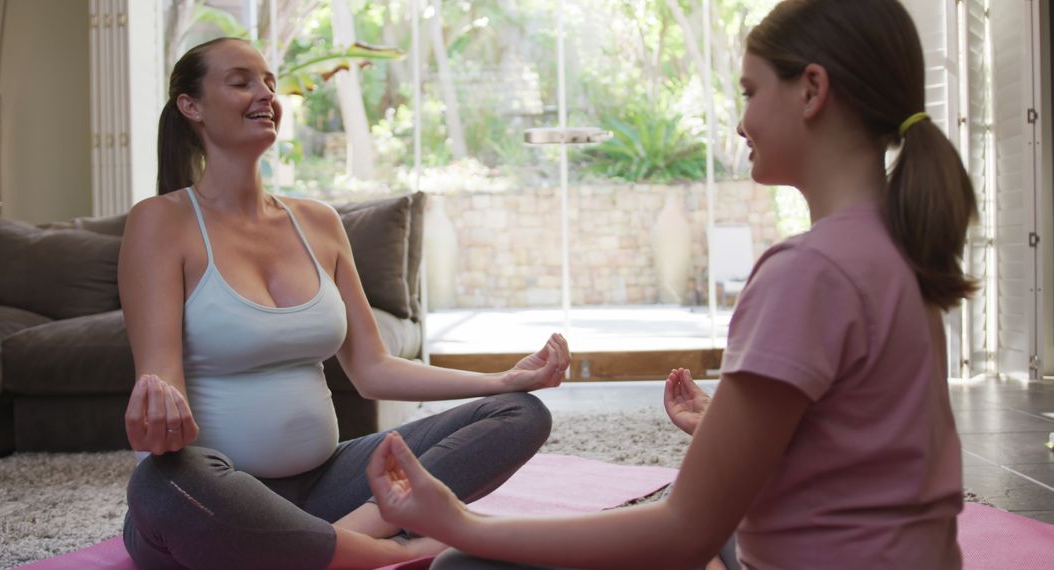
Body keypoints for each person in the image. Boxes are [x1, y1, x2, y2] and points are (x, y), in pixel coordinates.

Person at [366, 0, 975, 568]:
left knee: (463, 565)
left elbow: (685, 532)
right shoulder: (901, 249)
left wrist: (457, 521)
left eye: (751, 91)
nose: (741, 123)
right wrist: (725, 430)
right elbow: (867, 457)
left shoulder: (808, 271)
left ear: (812, 90)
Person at [118, 36, 570, 570]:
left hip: (330, 488)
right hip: (219, 494)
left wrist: (499, 381)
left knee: (518, 413)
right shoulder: (161, 222)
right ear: (190, 107)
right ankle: (385, 549)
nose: (264, 93)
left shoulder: (318, 223)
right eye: (241, 82)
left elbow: (373, 369)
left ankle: (331, 546)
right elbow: (160, 380)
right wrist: (156, 417)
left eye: (268, 81)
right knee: (165, 485)